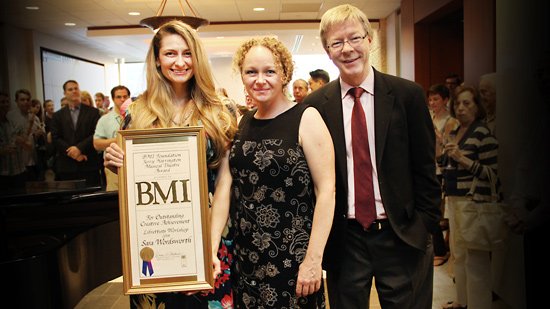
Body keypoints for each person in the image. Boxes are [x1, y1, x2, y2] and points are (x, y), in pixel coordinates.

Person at [302, 4, 441, 308]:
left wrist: (423, 226)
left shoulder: (408, 96)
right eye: (337, 43)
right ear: (328, 51)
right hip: (345, 240)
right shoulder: (315, 107)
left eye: (354, 38)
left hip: (401, 235)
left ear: (369, 40)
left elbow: (425, 170)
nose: (347, 49)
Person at [103, 20, 237, 308]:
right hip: (156, 243)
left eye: (187, 53)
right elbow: (131, 175)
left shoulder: (221, 110)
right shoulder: (138, 111)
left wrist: (208, 249)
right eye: (170, 54)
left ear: (198, 58)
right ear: (157, 60)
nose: (180, 62)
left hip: (211, 239)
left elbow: (226, 182)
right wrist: (114, 160)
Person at [210, 36, 335, 308]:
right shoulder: (242, 122)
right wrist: (211, 247)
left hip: (294, 261)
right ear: (241, 76)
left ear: (285, 74)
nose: (260, 80)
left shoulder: (307, 117)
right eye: (251, 72)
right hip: (247, 259)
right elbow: (225, 188)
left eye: (269, 71)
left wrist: (314, 259)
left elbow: (326, 192)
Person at [441, 86, 500, 309]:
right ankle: (462, 301)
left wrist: (462, 158)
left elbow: (492, 174)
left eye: (467, 103)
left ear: (477, 106)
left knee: (477, 262)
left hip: (474, 203)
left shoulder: (482, 133)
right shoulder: (456, 132)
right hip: (455, 201)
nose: (461, 108)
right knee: (460, 256)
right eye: (458, 103)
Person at [429, 84, 459, 266]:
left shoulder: (451, 121)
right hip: (431, 167)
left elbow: (451, 146)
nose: (432, 103)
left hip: (444, 170)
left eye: (436, 99)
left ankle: (441, 249)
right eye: (430, 99)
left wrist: (438, 135)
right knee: (434, 210)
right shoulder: (430, 117)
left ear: (446, 100)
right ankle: (439, 247)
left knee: (438, 210)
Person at [51, 80, 102, 186]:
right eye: (70, 89)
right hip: (67, 166)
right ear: (65, 93)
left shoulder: (93, 112)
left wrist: (79, 148)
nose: (74, 91)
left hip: (88, 163)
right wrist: (73, 153)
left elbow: (96, 134)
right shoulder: (57, 116)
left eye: (76, 88)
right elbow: (56, 138)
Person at [93, 85, 130, 191]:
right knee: (115, 197)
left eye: (125, 96)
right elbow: (96, 144)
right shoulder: (104, 120)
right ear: (113, 99)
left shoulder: (137, 117)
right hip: (113, 165)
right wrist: (119, 140)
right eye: (119, 97)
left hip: (134, 164)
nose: (122, 99)